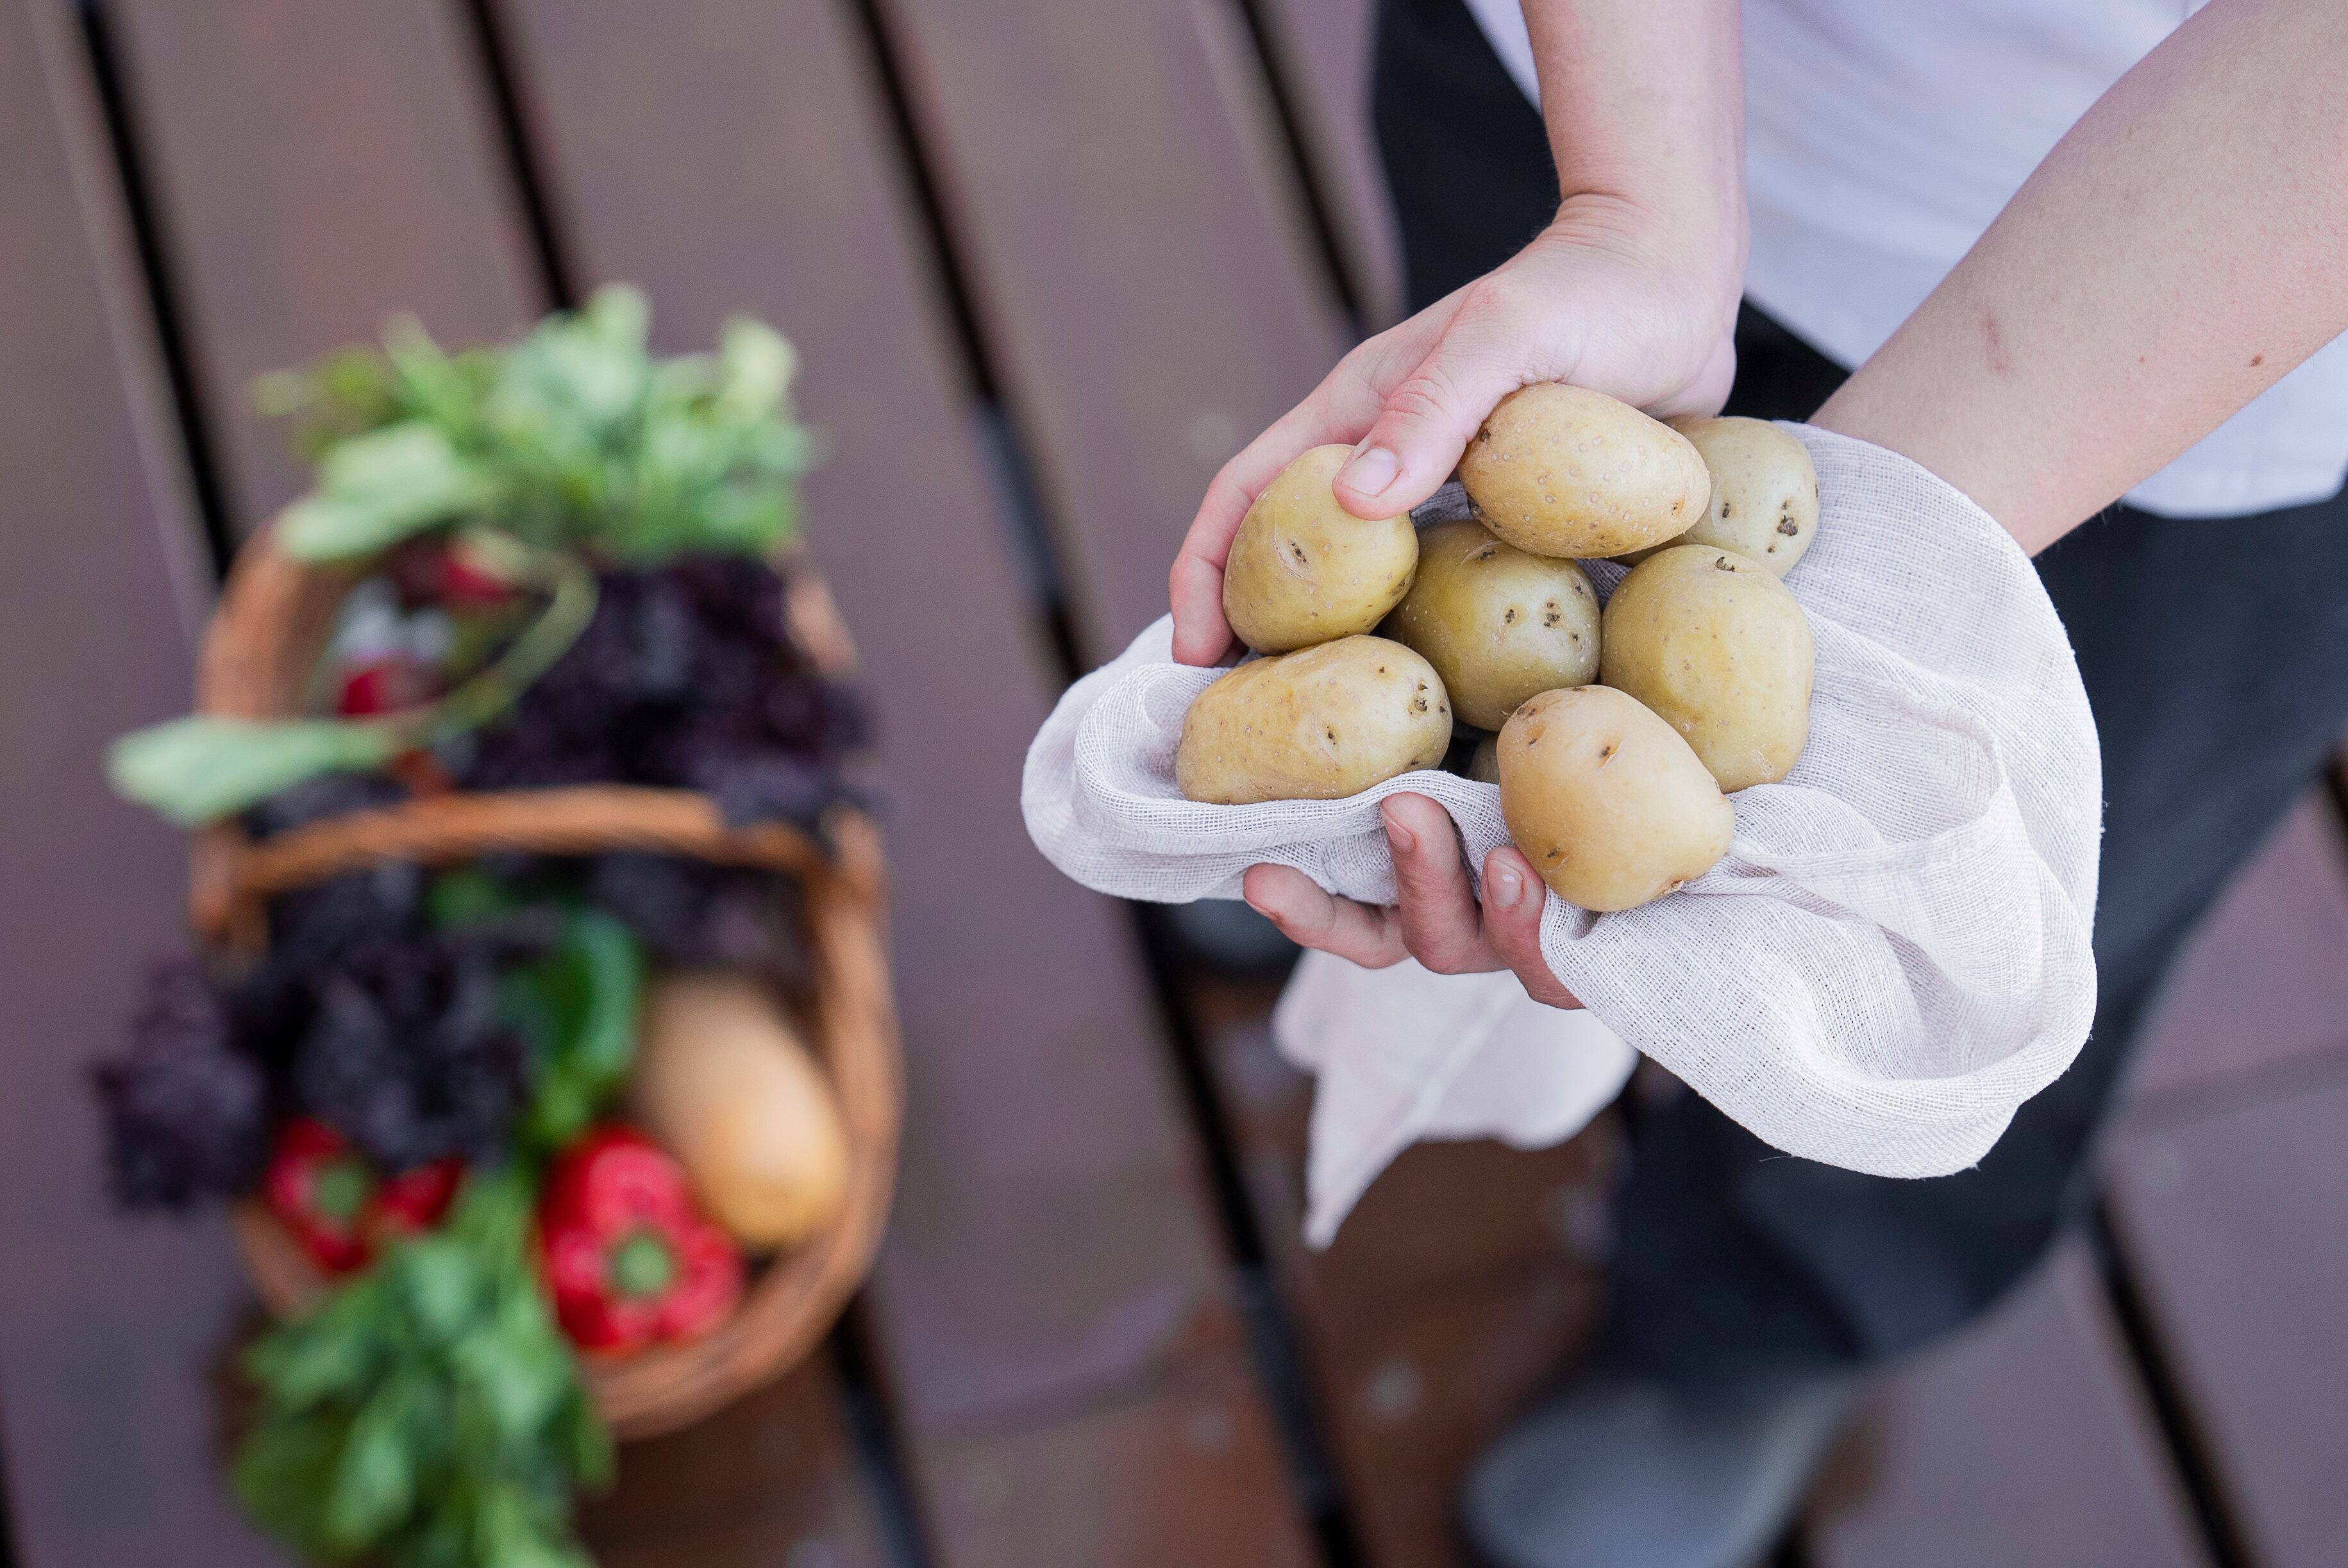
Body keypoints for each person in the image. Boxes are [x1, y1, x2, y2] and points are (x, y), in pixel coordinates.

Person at [1167, 2, 2348, 1564]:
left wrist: (1902, 544)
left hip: (2236, 322)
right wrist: (1633, 202)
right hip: (1599, 85)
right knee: (1459, 533)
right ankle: (1370, 794)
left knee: (1974, 912)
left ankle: (1770, 1312)